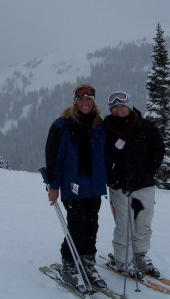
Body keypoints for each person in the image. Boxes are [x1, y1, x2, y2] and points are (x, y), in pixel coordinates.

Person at [45, 84, 108, 289]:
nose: (85, 102)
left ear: (93, 102)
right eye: (81, 99)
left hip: (94, 186)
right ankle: (69, 262)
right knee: (77, 226)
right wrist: (53, 185)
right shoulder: (62, 125)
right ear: (75, 101)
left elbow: (107, 154)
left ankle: (88, 261)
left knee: (92, 225)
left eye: (89, 99)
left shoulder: (100, 126)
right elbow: (53, 158)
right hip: (73, 185)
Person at [104, 91, 165, 277]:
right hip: (120, 186)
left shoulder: (144, 126)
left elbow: (158, 150)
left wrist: (147, 172)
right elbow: (103, 156)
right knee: (124, 225)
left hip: (144, 185)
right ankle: (123, 260)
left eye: (122, 106)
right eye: (114, 107)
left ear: (129, 106)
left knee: (143, 223)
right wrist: (112, 177)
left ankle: (140, 255)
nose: (119, 110)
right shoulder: (107, 128)